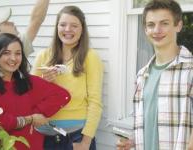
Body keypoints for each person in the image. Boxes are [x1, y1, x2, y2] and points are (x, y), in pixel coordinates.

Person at [117, 0, 193, 150]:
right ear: (145, 29)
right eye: (151, 25)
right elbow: (150, 121)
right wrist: (133, 142)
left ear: (178, 25)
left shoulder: (190, 70)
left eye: (164, 23)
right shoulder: (142, 75)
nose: (157, 30)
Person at [31, 5, 103, 150]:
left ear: (82, 29)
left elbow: (95, 103)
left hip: (76, 137)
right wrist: (44, 83)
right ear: (57, 27)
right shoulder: (43, 56)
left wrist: (85, 143)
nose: (67, 30)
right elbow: (28, 99)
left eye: (74, 25)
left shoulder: (90, 58)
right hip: (43, 138)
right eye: (63, 24)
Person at [0, 33, 71, 150]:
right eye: (6, 53)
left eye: (18, 53)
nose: (13, 58)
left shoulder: (28, 82)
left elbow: (63, 96)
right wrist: (31, 119)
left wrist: (38, 112)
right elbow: (2, 122)